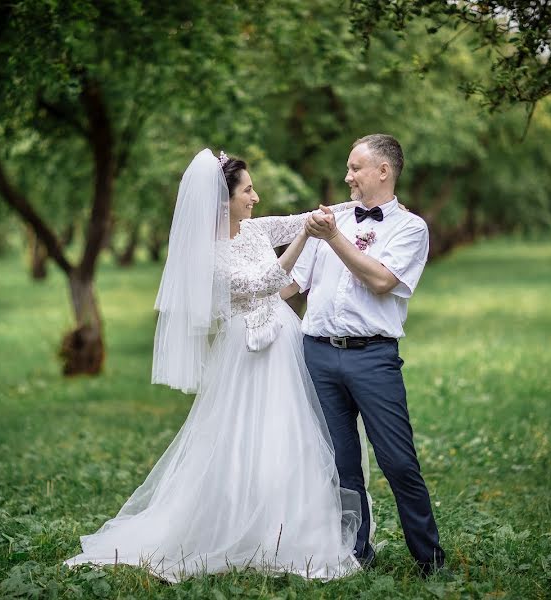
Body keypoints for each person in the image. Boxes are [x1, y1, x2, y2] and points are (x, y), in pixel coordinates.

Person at [63, 149, 361, 582]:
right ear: (224, 201)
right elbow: (263, 283)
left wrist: (364, 209)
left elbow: (301, 219)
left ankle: (291, 528)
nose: (256, 197)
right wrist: (305, 240)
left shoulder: (256, 230)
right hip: (247, 352)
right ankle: (237, 525)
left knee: (289, 432)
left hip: (283, 345)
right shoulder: (209, 253)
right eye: (248, 190)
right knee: (244, 436)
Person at [292, 134, 445, 575]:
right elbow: (291, 284)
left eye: (355, 168)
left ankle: (429, 559)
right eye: (347, 168)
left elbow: (380, 280)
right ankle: (354, 552)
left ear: (384, 170)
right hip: (317, 355)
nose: (347, 177)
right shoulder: (328, 222)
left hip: (372, 357)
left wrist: (334, 237)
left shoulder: (410, 228)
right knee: (340, 463)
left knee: (397, 460)